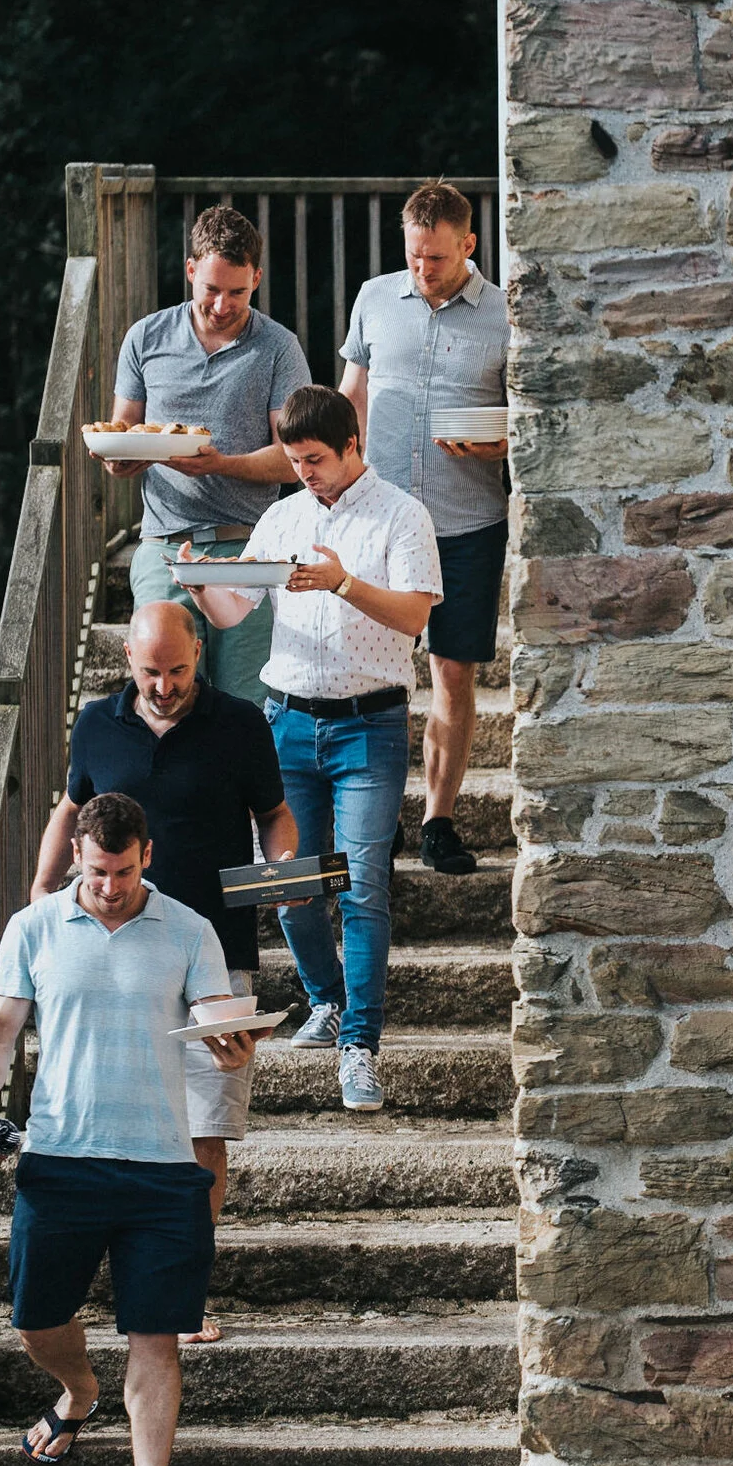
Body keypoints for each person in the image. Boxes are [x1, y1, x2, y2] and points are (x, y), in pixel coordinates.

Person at [0, 793, 263, 1466]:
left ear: (147, 858)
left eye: (124, 872)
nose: (109, 886)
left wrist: (233, 1049)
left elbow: (219, 1021)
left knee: (157, 1337)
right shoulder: (32, 928)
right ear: (77, 860)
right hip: (60, 1158)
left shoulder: (190, 929)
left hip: (164, 1169)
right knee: (33, 1321)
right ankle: (77, 1392)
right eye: (97, 871)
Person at [30, 599, 296, 1343]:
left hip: (215, 952)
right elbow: (71, 806)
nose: (165, 684)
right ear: (128, 663)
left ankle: (179, 1299)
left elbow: (274, 814)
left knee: (206, 1131)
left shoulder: (241, 723)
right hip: (114, 960)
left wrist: (281, 869)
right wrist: (39, 889)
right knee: (117, 1129)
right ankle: (112, 1289)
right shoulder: (94, 723)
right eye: (151, 671)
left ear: (199, 657)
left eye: (178, 670)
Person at [178, 385, 440, 1112]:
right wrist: (201, 584)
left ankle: (360, 1044)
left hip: (370, 724)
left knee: (360, 884)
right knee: (282, 883)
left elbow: (415, 614)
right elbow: (237, 609)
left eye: (316, 459)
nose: (306, 474)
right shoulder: (282, 515)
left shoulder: (402, 515)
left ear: (353, 444)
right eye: (295, 461)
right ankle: (325, 998)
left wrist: (344, 583)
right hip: (286, 722)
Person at [339, 180, 509, 875]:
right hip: (379, 519)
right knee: (370, 673)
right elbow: (350, 395)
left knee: (451, 671)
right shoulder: (375, 299)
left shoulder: (505, 315)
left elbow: (526, 419)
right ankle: (374, 823)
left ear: (468, 245)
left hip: (467, 520)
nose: (423, 268)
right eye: (413, 256)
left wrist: (499, 445)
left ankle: (438, 819)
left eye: (436, 257)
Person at [97, 204, 313, 702]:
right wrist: (121, 457)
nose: (222, 304)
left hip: (248, 550)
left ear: (256, 278)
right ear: (190, 270)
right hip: (163, 546)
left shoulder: (279, 348)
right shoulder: (145, 338)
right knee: (161, 694)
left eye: (237, 292)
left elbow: (294, 459)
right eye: (211, 289)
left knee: (245, 705)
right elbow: (120, 434)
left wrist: (220, 465)